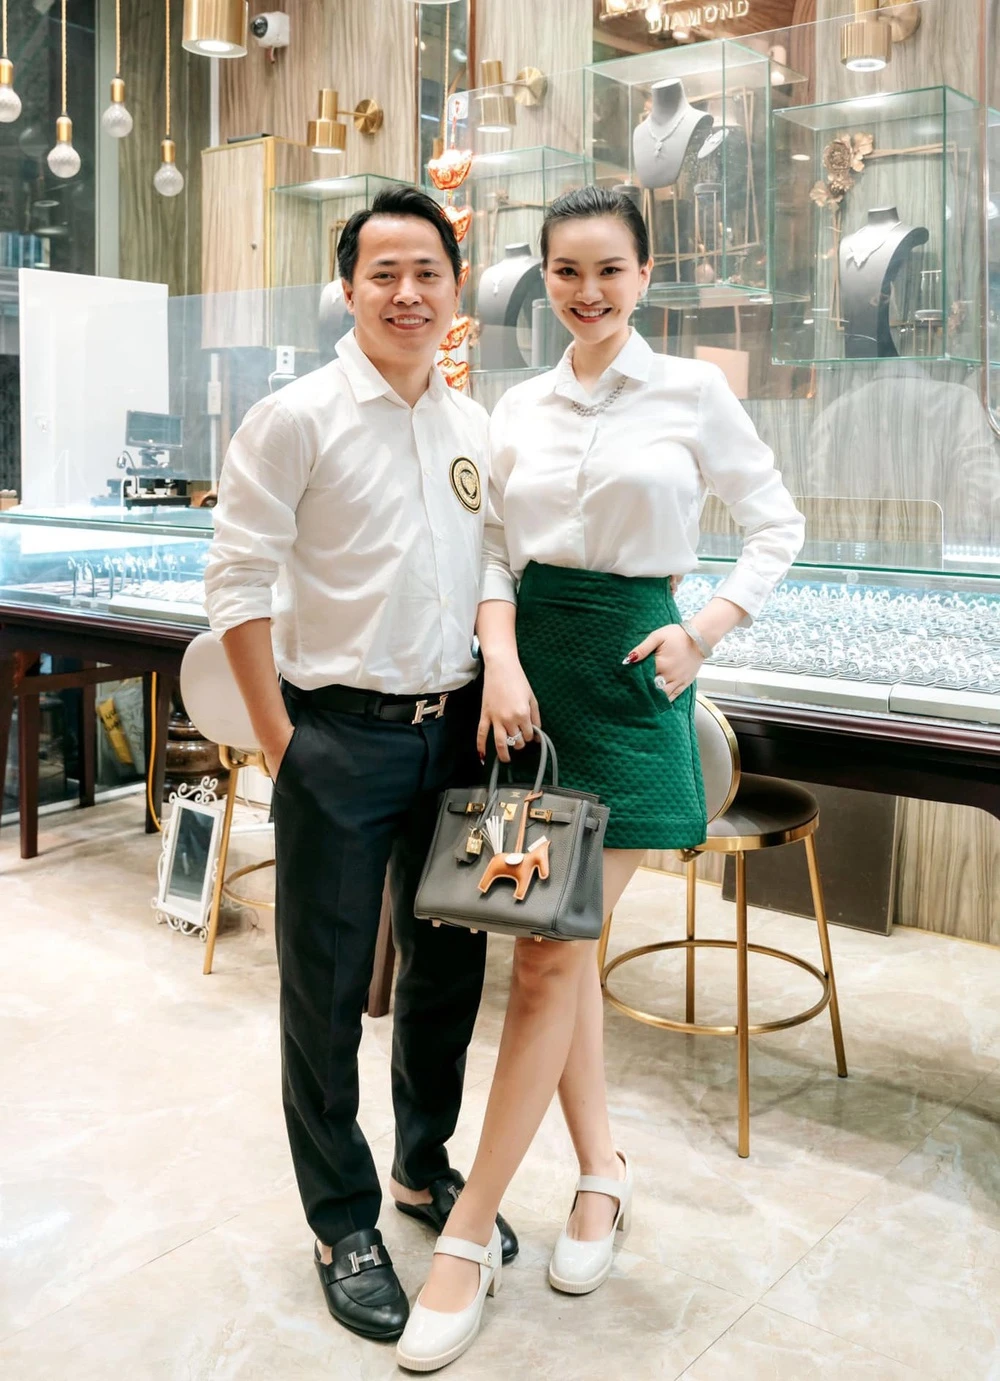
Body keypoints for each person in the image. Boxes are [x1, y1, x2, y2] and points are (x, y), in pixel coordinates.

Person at [396, 185, 804, 1372]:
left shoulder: (692, 392)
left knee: (544, 955)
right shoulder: (518, 405)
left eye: (609, 270)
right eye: (566, 272)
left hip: (631, 684)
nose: (587, 292)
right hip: (530, 689)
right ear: (545, 276)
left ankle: (466, 1238)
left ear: (644, 273)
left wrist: (705, 629)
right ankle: (601, 1172)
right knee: (556, 949)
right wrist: (501, 662)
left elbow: (776, 523)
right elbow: (492, 550)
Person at [203, 185, 517, 1347]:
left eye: (427, 272)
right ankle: (341, 1221)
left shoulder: (471, 423)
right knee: (327, 993)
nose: (406, 293)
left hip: (457, 736)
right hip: (335, 734)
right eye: (383, 273)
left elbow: (493, 562)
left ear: (455, 288)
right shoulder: (295, 418)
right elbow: (235, 582)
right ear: (348, 289)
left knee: (445, 976)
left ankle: (422, 1166)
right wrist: (282, 742)